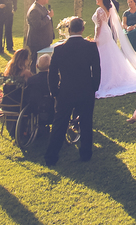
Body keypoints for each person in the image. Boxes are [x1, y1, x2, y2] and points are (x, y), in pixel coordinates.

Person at [44, 16, 101, 166]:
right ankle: (86, 153)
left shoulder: (59, 49)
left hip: (65, 90)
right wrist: (94, 87)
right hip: (85, 90)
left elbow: (52, 72)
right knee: (86, 122)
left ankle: (51, 156)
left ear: (69, 30)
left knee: (59, 124)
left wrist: (54, 91)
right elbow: (96, 70)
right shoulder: (90, 47)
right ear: (82, 29)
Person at [92, 0, 136, 98]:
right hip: (107, 32)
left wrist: (96, 37)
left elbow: (99, 26)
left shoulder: (100, 10)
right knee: (109, 53)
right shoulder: (107, 9)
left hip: (102, 33)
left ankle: (104, 77)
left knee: (102, 54)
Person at [25, 0, 54, 69]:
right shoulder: (34, 10)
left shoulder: (42, 7)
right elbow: (38, 25)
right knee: (35, 62)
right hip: (37, 42)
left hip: (44, 40)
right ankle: (33, 78)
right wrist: (49, 17)